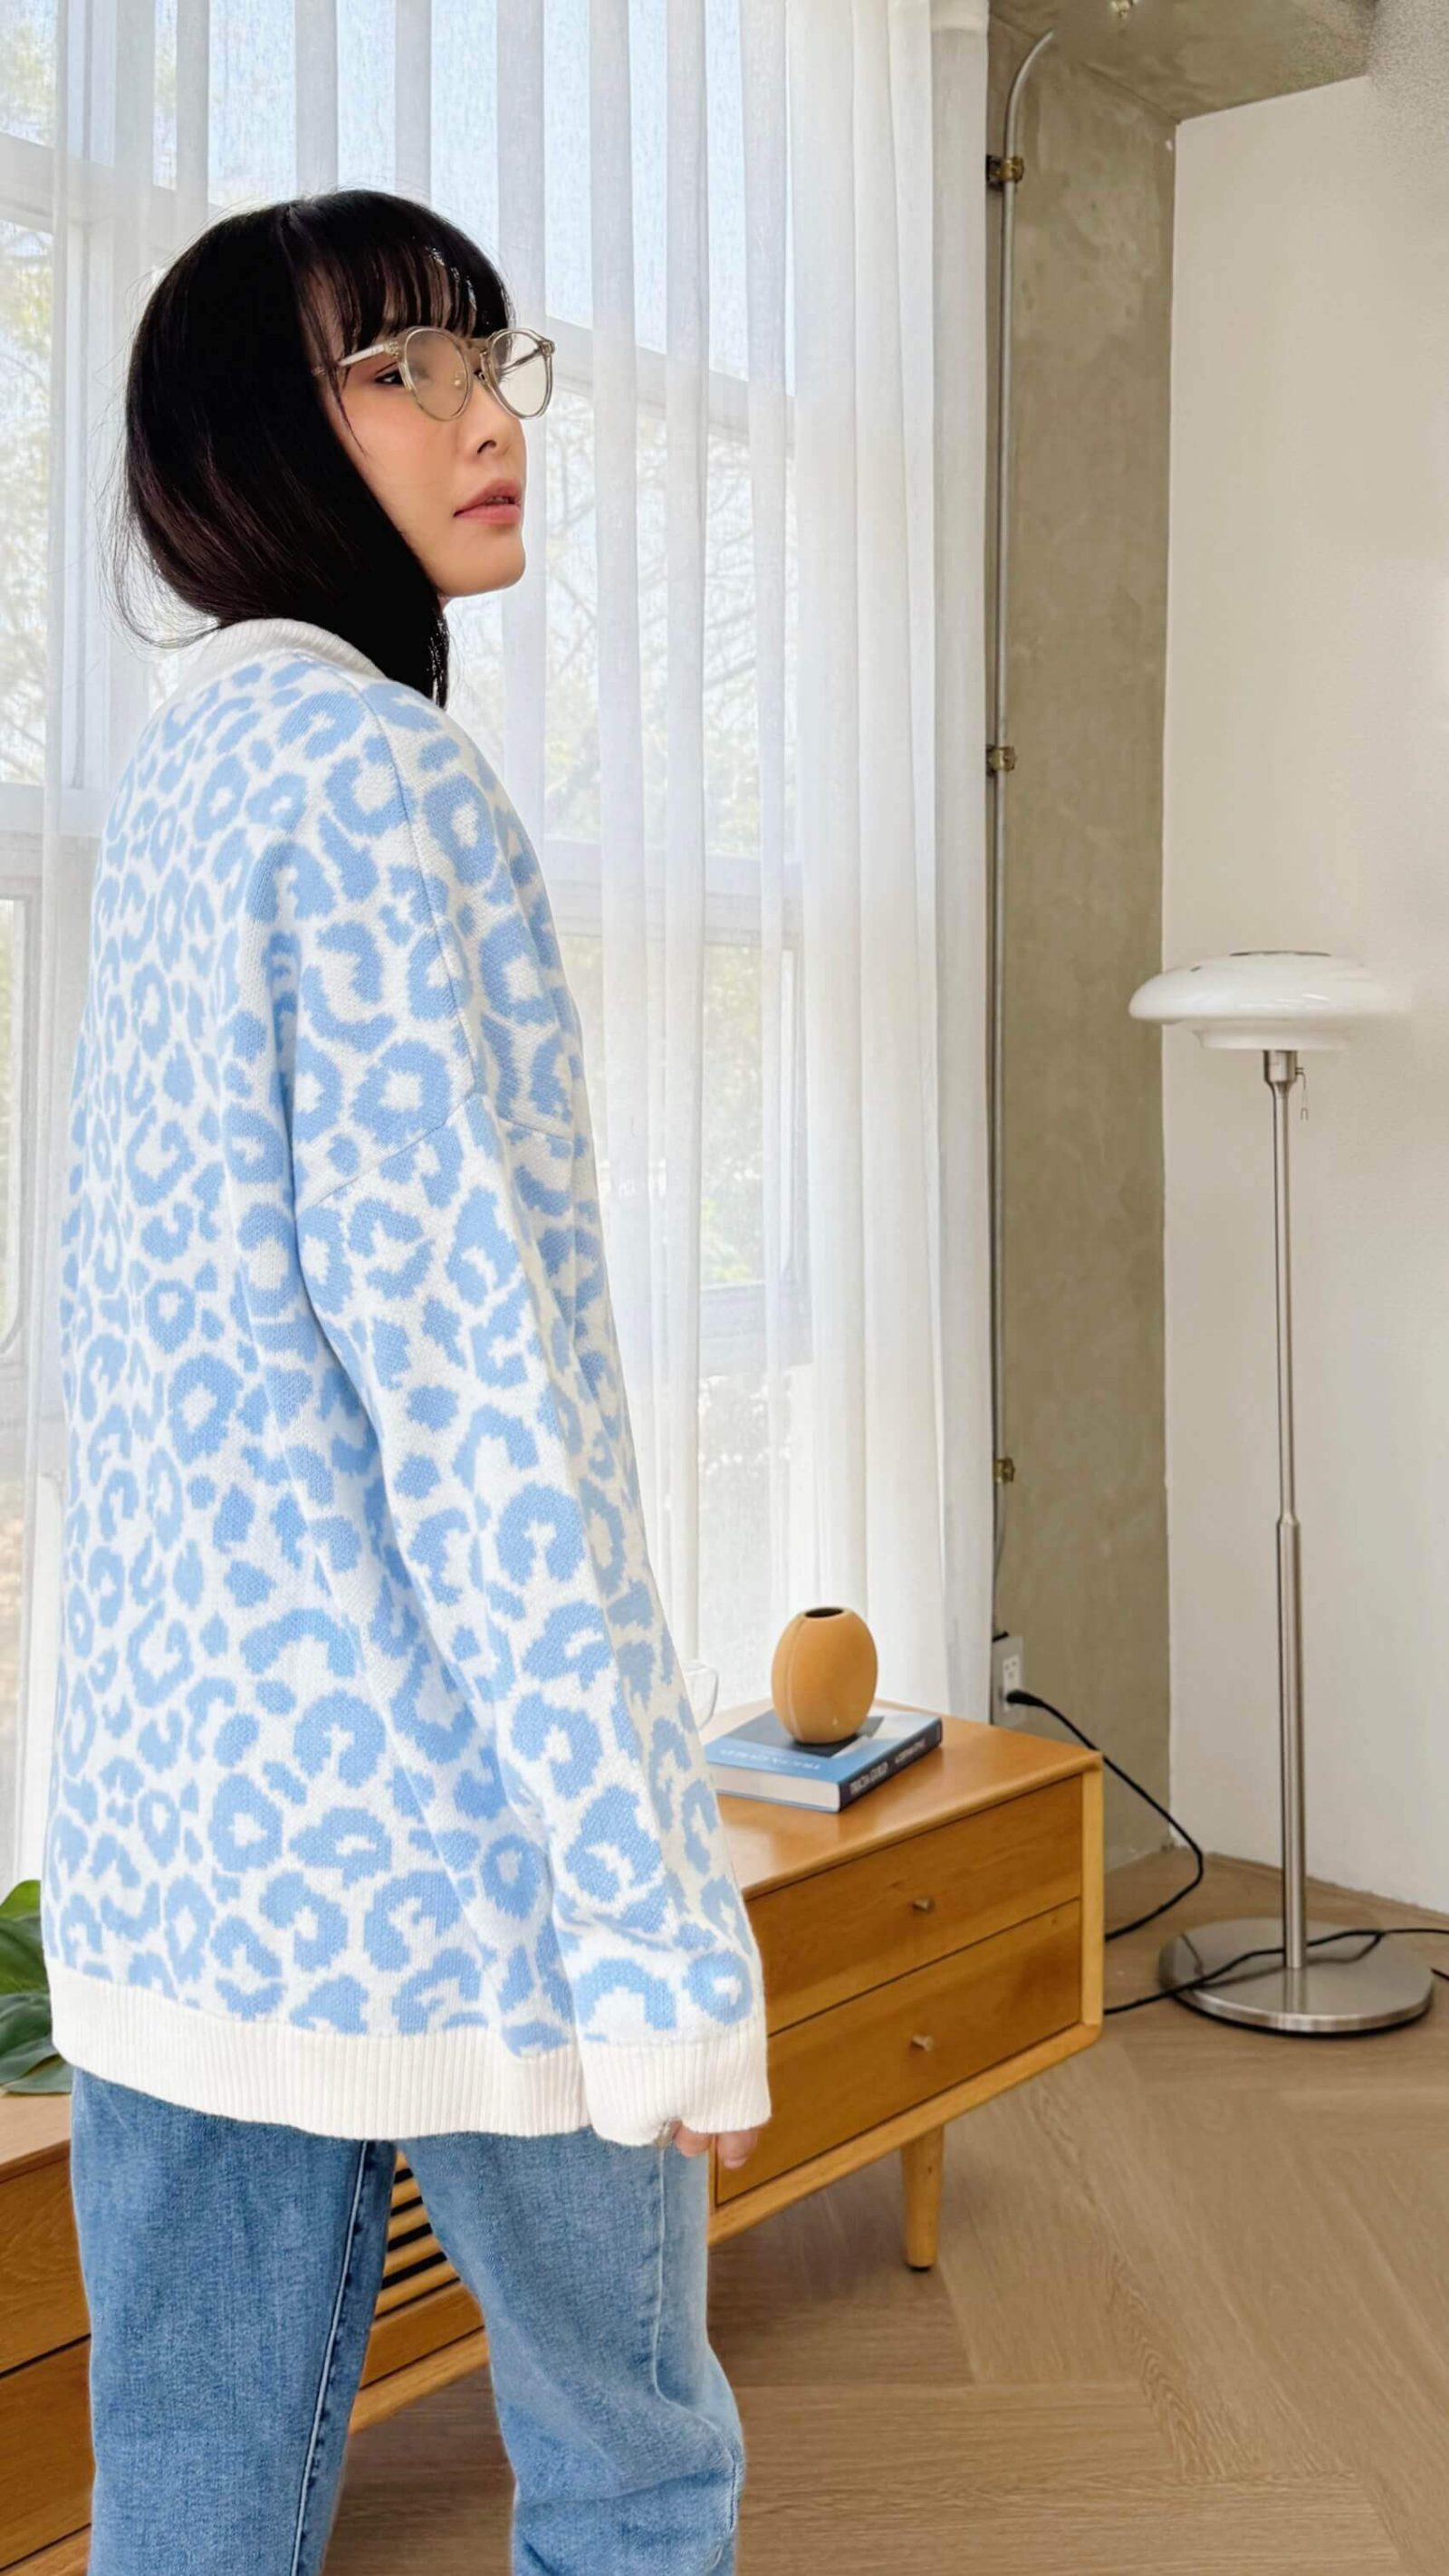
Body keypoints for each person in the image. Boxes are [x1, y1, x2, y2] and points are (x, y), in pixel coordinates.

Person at [41, 187, 771, 2576]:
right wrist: (659, 1932)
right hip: (453, 1860)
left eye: (487, 359)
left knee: (189, 2504)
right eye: (398, 370)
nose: (483, 416)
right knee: (633, 2477)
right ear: (254, 431)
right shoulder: (379, 784)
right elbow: (488, 1413)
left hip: (179, 1856)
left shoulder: (186, 783)